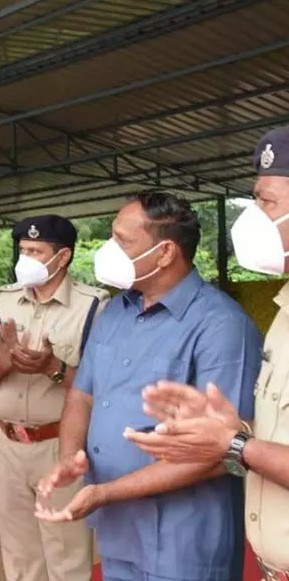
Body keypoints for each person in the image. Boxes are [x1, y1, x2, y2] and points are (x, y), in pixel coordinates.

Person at [34, 191, 263, 581]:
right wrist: (70, 456)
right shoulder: (114, 313)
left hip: (184, 538)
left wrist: (105, 492)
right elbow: (82, 393)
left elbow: (219, 451)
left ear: (165, 253)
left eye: (123, 241)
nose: (109, 250)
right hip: (118, 530)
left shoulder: (221, 324)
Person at [125, 126, 289, 579]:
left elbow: (248, 450)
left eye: (268, 201)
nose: (254, 214)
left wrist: (234, 444)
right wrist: (231, 429)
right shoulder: (284, 311)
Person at [0, 215, 108, 581]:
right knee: (18, 552)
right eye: (23, 250)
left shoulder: (94, 306)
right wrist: (5, 362)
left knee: (66, 551)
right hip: (6, 442)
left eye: (36, 251)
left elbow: (100, 387)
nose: (25, 258)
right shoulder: (2, 299)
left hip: (59, 443)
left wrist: (52, 368)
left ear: (64, 257)